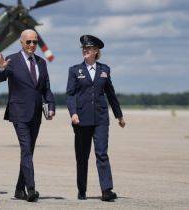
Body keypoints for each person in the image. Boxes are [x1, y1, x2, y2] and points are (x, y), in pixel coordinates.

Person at [0, 29, 55, 202]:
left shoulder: (41, 62)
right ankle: (31, 189)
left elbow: (46, 88)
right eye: (28, 42)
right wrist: (1, 69)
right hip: (19, 113)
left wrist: (50, 106)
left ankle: (18, 189)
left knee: (28, 152)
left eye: (35, 42)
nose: (32, 45)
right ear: (21, 42)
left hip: (36, 114)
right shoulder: (12, 60)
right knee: (26, 150)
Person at [66, 35, 126, 202]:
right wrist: (73, 113)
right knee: (82, 156)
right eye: (84, 48)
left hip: (101, 119)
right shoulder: (74, 70)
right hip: (81, 119)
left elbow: (111, 94)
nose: (85, 50)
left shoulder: (104, 70)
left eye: (89, 48)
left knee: (102, 154)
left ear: (96, 51)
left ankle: (106, 190)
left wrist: (119, 115)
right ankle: (82, 190)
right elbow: (70, 95)